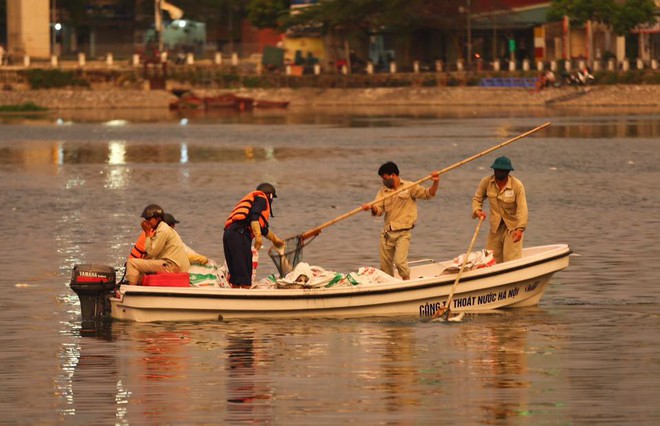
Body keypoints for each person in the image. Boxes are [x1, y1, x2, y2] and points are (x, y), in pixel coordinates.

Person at [363, 162, 440, 280]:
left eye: (384, 178)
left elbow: (428, 194)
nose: (383, 181)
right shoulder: (383, 192)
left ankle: (407, 284)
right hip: (387, 234)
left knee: (400, 263)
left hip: (403, 233)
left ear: (393, 175)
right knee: (385, 268)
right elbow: (378, 211)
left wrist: (435, 182)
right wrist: (372, 208)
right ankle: (389, 289)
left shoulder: (409, 187)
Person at [223, 183, 285, 288]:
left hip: (229, 234)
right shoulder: (262, 198)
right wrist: (258, 237)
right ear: (269, 195)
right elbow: (254, 217)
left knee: (236, 271)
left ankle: (236, 292)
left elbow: (263, 229)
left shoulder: (254, 200)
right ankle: (245, 295)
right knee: (245, 269)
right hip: (239, 234)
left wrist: (275, 240)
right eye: (272, 198)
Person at [472, 156, 528, 264]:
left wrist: (520, 229)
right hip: (495, 227)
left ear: (508, 172)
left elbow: (522, 208)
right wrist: (477, 211)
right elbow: (477, 199)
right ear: (494, 170)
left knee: (511, 260)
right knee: (491, 259)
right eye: (498, 170)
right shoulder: (486, 182)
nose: (500, 172)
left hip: (512, 228)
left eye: (503, 171)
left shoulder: (517, 186)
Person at [125, 204, 191, 285]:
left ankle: (131, 290)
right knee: (142, 265)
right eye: (146, 219)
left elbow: (152, 252)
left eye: (149, 219)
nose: (146, 222)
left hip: (172, 266)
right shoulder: (162, 229)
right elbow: (153, 254)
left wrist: (147, 233)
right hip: (175, 266)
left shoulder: (163, 230)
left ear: (158, 218)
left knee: (132, 263)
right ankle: (140, 286)